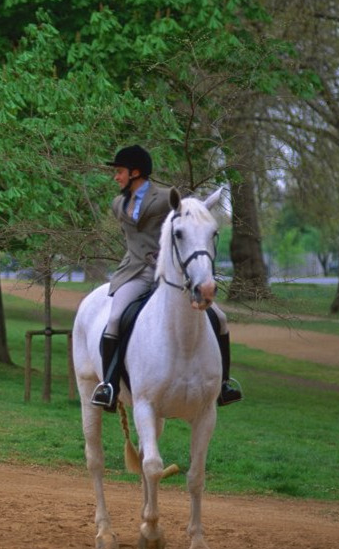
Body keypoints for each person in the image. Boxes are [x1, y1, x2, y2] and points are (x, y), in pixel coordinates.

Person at [90, 144, 242, 411]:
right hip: (135, 272)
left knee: (220, 318)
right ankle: (110, 386)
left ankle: (224, 385)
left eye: (120, 171)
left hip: (169, 274)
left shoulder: (165, 199)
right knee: (114, 319)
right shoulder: (117, 204)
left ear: (136, 172)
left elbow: (185, 225)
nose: (116, 177)